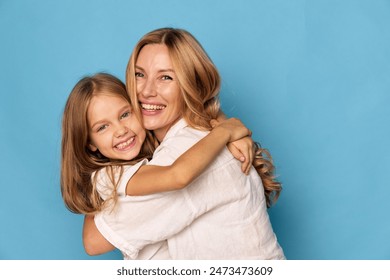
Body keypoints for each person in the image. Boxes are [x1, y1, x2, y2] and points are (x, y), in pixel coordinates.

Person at [83, 27, 285, 260]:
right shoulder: (200, 135)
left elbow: (94, 239)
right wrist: (225, 125)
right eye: (140, 75)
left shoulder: (183, 153)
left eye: (165, 77)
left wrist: (93, 174)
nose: (147, 91)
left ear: (191, 84)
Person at [61, 72, 252, 214]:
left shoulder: (158, 146)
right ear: (89, 143)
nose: (120, 131)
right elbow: (177, 176)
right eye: (102, 127)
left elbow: (196, 110)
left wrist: (221, 119)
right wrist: (224, 131)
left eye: (125, 114)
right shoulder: (108, 178)